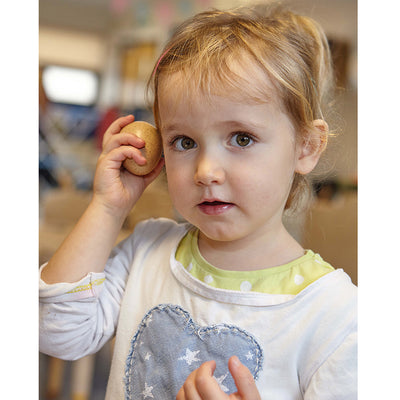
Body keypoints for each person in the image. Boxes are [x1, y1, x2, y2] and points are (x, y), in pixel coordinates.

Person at [39, 4, 357, 399]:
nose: (205, 171)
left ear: (306, 147)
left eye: (241, 138)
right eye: (184, 142)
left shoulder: (336, 315)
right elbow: (55, 332)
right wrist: (107, 207)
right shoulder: (146, 251)